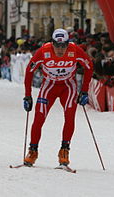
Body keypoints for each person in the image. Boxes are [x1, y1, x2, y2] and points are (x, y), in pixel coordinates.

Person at [23, 28, 93, 167]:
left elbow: (89, 66)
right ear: (52, 43)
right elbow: (29, 71)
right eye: (57, 46)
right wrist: (27, 96)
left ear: (68, 43)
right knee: (39, 118)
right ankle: (33, 150)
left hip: (68, 86)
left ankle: (64, 150)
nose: (60, 49)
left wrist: (84, 91)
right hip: (49, 86)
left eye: (63, 46)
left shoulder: (75, 50)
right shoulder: (44, 51)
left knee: (69, 115)